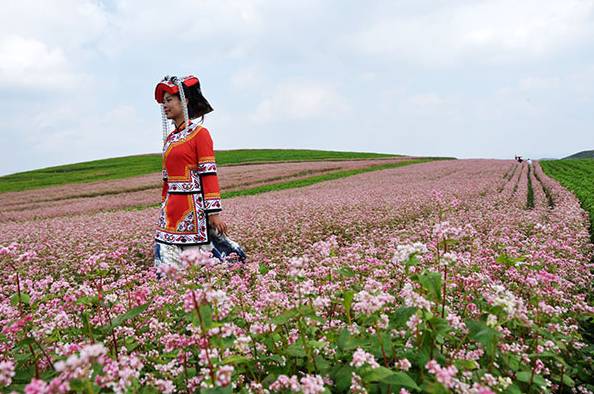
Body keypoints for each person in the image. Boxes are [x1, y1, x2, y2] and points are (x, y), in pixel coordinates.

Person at [153, 75, 245, 270]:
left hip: (192, 210)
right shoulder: (170, 138)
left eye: (169, 100)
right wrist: (164, 205)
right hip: (170, 212)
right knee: (166, 261)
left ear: (184, 101)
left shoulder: (200, 134)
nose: (165, 105)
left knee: (196, 260)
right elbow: (166, 179)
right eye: (163, 102)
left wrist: (213, 213)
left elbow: (209, 173)